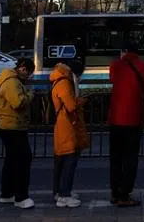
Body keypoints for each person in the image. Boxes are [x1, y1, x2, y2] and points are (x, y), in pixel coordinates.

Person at [108, 43, 144, 207]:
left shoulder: (115, 66)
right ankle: (125, 194)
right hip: (133, 118)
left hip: (115, 118)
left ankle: (115, 192)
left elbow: (113, 79)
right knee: (130, 157)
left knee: (115, 157)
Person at [0, 58, 35, 209]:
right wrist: (30, 95)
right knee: (23, 161)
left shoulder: (9, 79)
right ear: (23, 69)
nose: (28, 76)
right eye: (29, 73)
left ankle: (7, 194)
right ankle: (21, 197)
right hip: (14, 127)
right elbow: (17, 102)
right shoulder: (12, 82)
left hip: (9, 126)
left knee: (11, 161)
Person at [50, 62, 89, 208]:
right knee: (69, 160)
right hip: (67, 125)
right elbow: (71, 105)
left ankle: (59, 192)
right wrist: (82, 101)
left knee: (61, 161)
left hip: (63, 125)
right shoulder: (65, 83)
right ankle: (64, 195)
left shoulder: (58, 80)